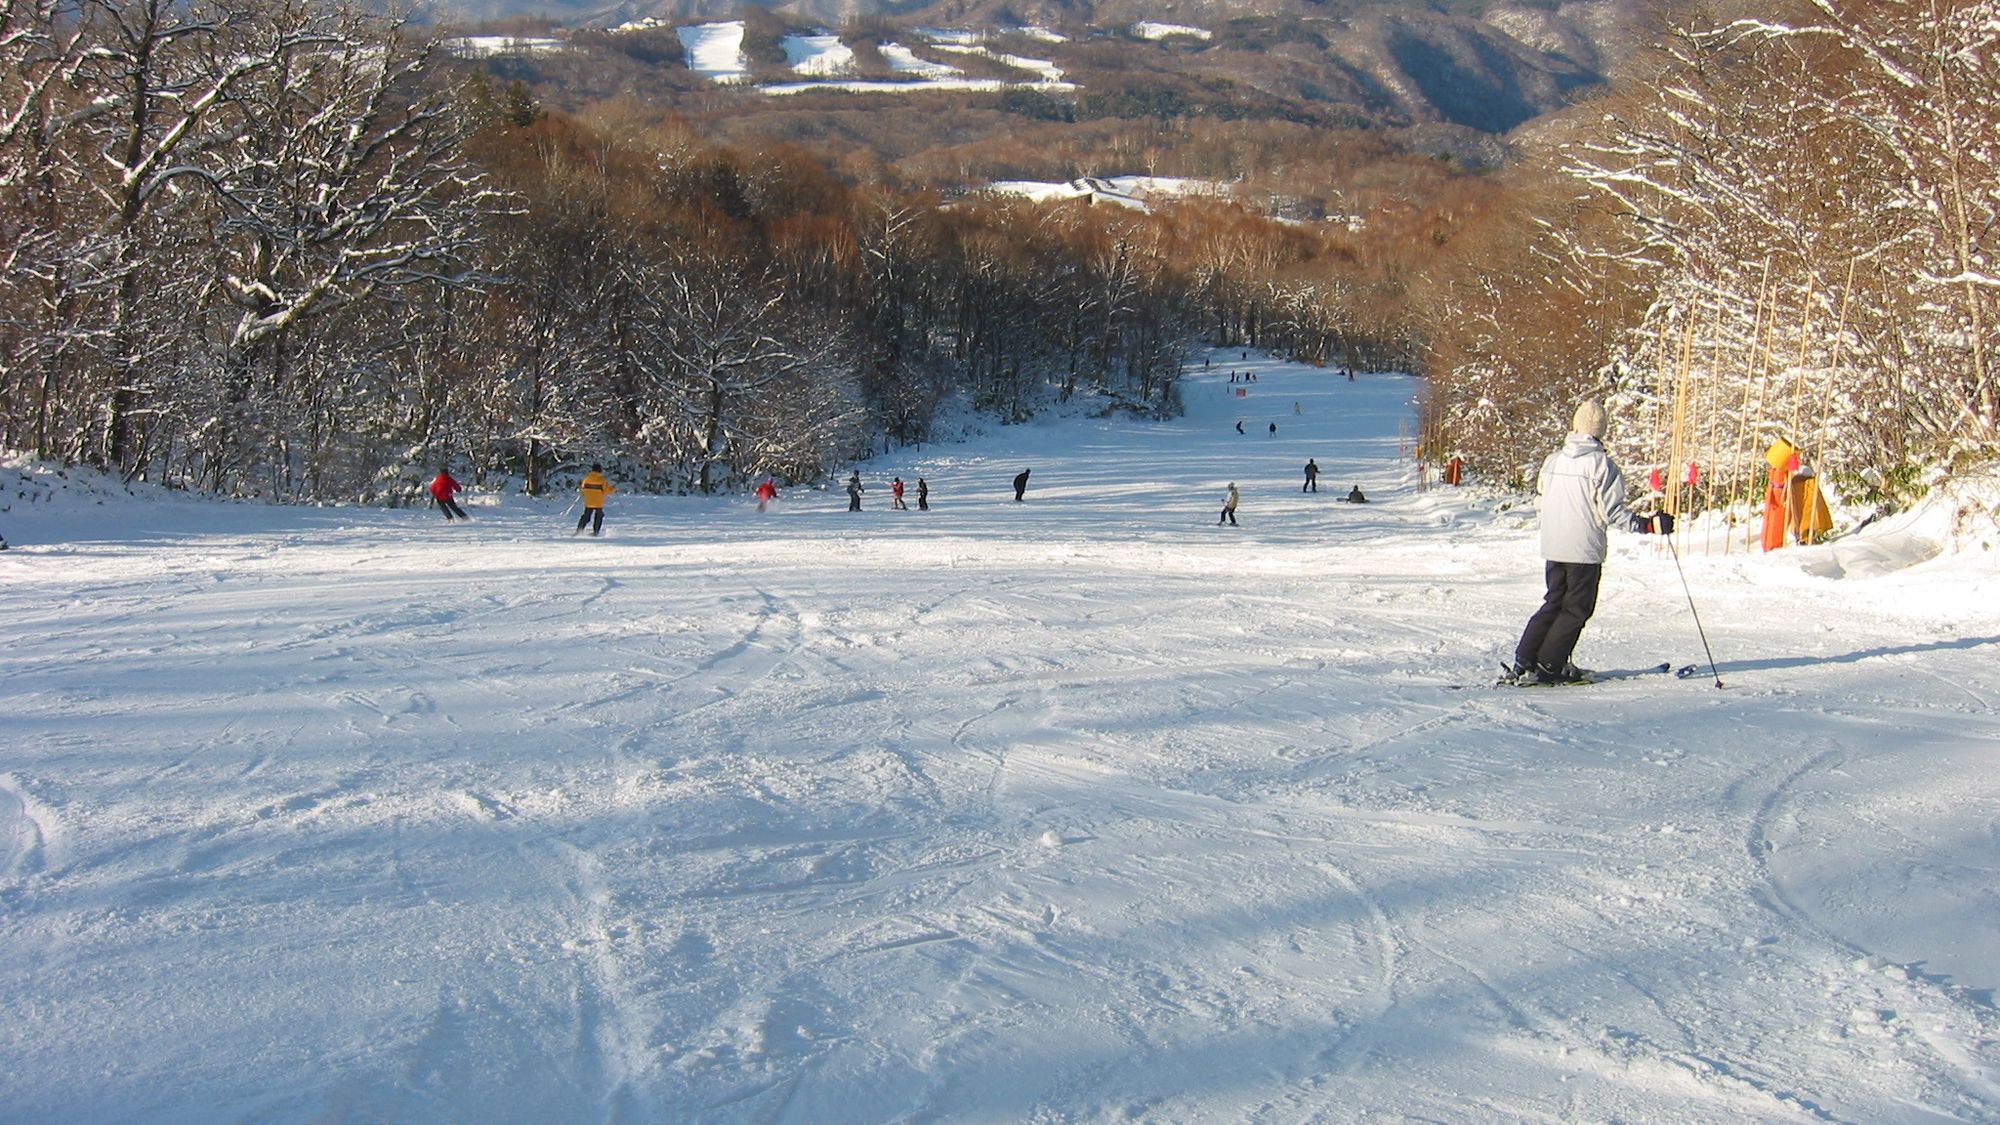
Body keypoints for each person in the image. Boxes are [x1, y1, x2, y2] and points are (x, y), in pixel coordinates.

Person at [1510, 401, 1661, 683]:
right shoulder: (1602, 465)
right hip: (1583, 549)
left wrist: (1550, 529)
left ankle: (1526, 658)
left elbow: (1541, 500)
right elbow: (1611, 511)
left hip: (1554, 546)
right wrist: (1645, 524)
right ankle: (1550, 664)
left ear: (1575, 426)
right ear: (1601, 430)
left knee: (1554, 601)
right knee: (1577, 608)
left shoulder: (1554, 460)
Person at [575, 463, 615, 536]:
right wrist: (613, 489)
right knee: (598, 516)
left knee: (586, 516)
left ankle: (579, 531)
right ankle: (595, 532)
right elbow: (607, 491)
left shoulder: (586, 479)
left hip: (588, 501)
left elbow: (582, 489)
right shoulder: (602, 480)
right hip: (598, 502)